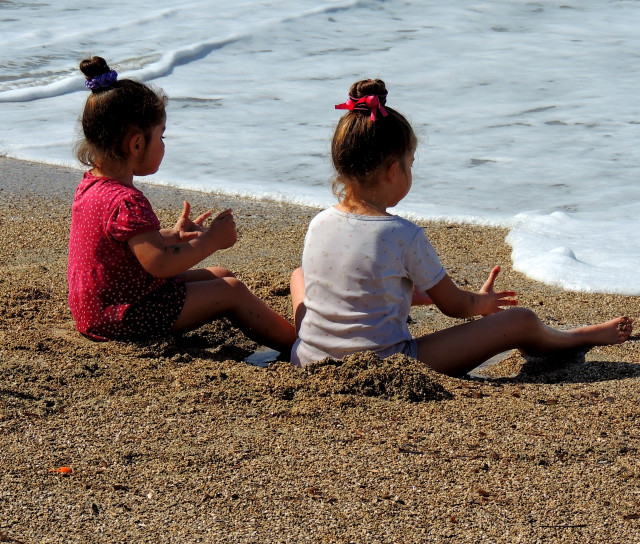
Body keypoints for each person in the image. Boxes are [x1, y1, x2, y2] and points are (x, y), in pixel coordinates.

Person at [289, 78, 633, 375]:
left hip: (307, 359)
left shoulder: (319, 222)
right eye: (410, 164)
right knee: (521, 321)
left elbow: (365, 277)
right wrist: (480, 304)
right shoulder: (403, 234)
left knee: (299, 276)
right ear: (393, 171)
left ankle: (315, 343)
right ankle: (576, 337)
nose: (411, 171)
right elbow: (455, 306)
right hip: (384, 363)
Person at [68, 56, 296, 351]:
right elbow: (159, 264)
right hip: (124, 315)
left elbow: (118, 245)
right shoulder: (127, 200)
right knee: (231, 290)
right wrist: (212, 240)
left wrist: (169, 236)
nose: (164, 145)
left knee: (221, 274)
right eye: (161, 137)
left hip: (99, 307)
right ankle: (295, 343)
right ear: (136, 144)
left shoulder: (91, 185)